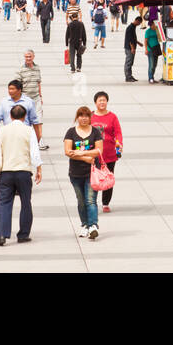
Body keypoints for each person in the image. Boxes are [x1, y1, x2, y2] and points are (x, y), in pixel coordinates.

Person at [0, 103, 42, 246]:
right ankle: (23, 234)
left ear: (10, 116)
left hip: (6, 172)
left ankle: (1, 235)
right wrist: (39, 169)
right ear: (25, 117)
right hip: (24, 171)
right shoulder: (29, 131)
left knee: (4, 203)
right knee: (26, 202)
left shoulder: (2, 130)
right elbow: (35, 153)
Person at [64, 107, 104, 240]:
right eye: (81, 116)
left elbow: (99, 151)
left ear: (90, 118)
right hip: (75, 173)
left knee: (90, 200)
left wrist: (81, 152)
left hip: (92, 172)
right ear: (77, 117)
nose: (84, 118)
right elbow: (68, 151)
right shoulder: (71, 132)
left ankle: (93, 225)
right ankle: (85, 225)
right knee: (81, 201)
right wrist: (85, 157)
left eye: (86, 116)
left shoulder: (96, 132)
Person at [89, 92, 123, 213]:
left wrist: (119, 146)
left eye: (104, 100)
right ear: (95, 102)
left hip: (109, 154)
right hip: (94, 154)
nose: (102, 102)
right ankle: (92, 202)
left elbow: (118, 133)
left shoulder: (112, 117)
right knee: (94, 178)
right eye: (100, 100)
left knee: (108, 178)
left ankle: (105, 203)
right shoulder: (90, 116)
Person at [15, 52, 46, 148]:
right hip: (25, 98)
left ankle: (39, 141)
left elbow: (38, 82)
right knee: (26, 121)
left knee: (39, 120)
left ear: (33, 57)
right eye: (26, 57)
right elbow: (17, 85)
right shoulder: (21, 69)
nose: (28, 58)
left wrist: (40, 96)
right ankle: (26, 141)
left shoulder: (37, 68)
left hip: (36, 98)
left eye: (30, 56)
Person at [65, 7, 87, 73]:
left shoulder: (70, 24)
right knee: (79, 55)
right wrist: (84, 43)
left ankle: (72, 68)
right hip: (79, 42)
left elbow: (67, 35)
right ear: (77, 17)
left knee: (72, 55)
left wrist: (66, 43)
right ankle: (79, 67)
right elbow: (84, 34)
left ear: (72, 18)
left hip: (71, 42)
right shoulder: (81, 24)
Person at [143, 17, 162, 84]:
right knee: (151, 64)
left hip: (156, 49)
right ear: (151, 25)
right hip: (150, 49)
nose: (155, 25)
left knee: (155, 64)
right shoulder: (148, 31)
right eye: (154, 24)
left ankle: (152, 77)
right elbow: (145, 40)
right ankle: (150, 78)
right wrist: (146, 49)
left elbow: (160, 38)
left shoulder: (157, 30)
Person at [123, 15, 140, 82]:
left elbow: (133, 38)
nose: (139, 24)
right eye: (139, 23)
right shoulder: (130, 28)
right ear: (137, 21)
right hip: (129, 48)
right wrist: (132, 48)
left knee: (131, 62)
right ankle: (128, 77)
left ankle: (130, 75)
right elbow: (130, 40)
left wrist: (138, 43)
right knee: (128, 62)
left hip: (131, 47)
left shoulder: (133, 27)